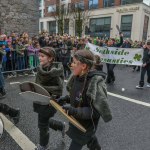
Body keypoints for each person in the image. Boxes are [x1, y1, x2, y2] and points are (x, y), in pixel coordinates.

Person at [57, 50, 112, 150]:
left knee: (77, 143)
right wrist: (66, 99)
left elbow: (95, 112)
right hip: (77, 120)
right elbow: (79, 97)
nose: (71, 65)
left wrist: (74, 110)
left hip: (86, 125)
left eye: (74, 62)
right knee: (90, 138)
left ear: (83, 66)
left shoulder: (94, 84)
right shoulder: (77, 77)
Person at [33, 47, 65, 150]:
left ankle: (44, 146)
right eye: (39, 56)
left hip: (50, 102)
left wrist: (42, 89)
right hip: (40, 99)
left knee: (42, 124)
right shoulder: (40, 68)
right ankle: (60, 126)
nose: (39, 58)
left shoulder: (56, 71)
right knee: (43, 121)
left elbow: (59, 89)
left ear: (50, 58)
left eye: (42, 56)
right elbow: (36, 83)